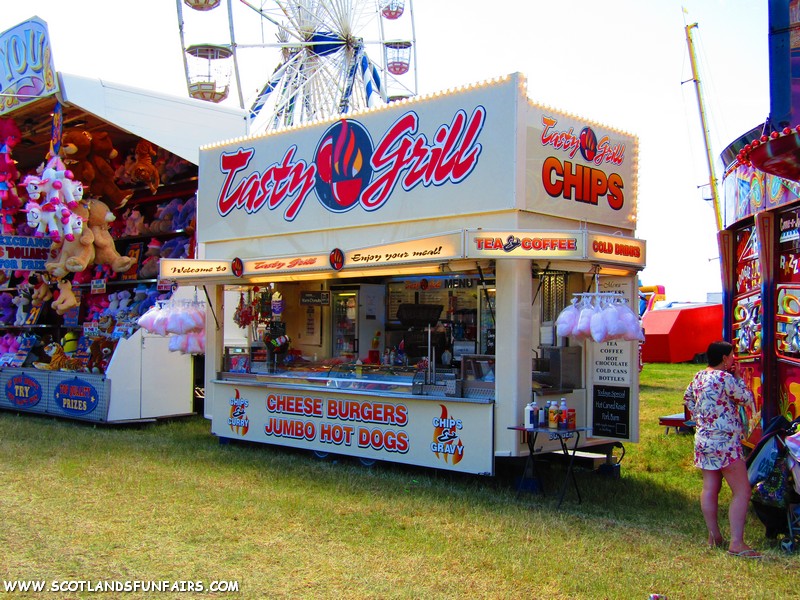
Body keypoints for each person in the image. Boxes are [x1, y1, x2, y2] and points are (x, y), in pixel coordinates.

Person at [683, 340, 761, 559]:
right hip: (725, 441)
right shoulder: (726, 379)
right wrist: (737, 378)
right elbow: (746, 398)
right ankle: (737, 542)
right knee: (742, 490)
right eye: (732, 355)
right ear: (725, 358)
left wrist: (701, 417)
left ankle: (714, 536)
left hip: (704, 439)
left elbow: (687, 398)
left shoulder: (699, 376)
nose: (734, 358)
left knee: (710, 488)